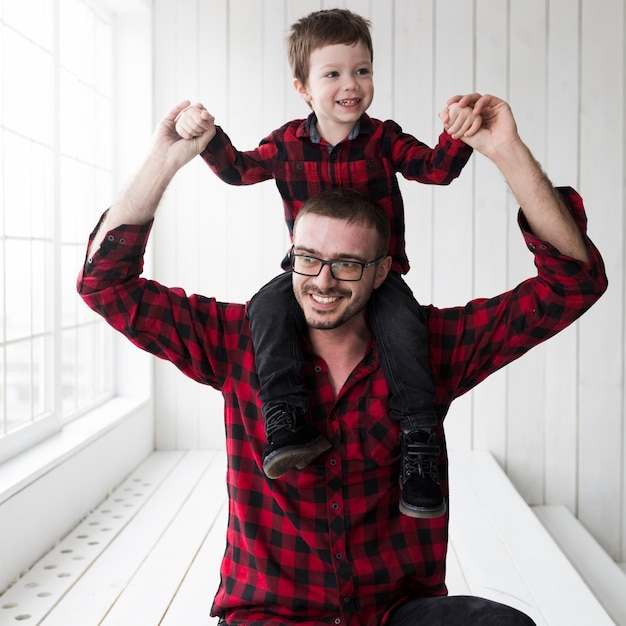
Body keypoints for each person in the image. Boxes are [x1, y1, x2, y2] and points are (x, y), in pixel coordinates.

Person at [77, 92, 607, 625]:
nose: (323, 281)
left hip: (392, 612)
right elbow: (104, 284)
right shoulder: (236, 340)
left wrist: (508, 152)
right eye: (308, 259)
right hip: (272, 614)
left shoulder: (431, 347)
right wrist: (163, 160)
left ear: (382, 272)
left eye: (347, 264)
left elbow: (574, 285)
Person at [173, 8, 483, 519]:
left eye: (362, 70)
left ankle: (419, 443)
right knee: (266, 312)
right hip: (306, 277)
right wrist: (206, 134)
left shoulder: (384, 139)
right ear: (303, 87)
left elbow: (436, 170)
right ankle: (287, 417)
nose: (351, 84)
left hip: (373, 279)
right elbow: (239, 171)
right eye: (333, 73)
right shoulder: (287, 143)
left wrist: (460, 130)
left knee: (405, 331)